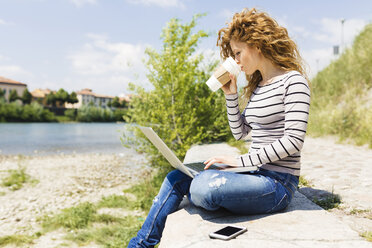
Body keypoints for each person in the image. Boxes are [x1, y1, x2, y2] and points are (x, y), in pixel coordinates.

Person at [128, 7, 310, 248]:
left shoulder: (293, 81)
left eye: (238, 52)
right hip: (254, 173)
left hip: (277, 183)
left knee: (204, 187)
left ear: (256, 44)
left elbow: (294, 141)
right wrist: (231, 96)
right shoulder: (258, 87)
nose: (236, 61)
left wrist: (241, 161)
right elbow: (241, 132)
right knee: (176, 176)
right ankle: (140, 244)